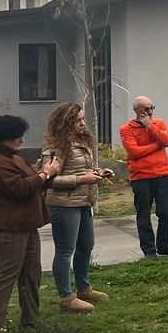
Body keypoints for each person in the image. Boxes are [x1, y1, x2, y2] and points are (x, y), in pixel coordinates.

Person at [0, 115, 59, 333]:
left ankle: (32, 321)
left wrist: (48, 174)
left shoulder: (14, 157)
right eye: (16, 135)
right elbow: (19, 188)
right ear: (1, 138)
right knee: (4, 280)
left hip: (26, 226)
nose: (21, 139)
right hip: (7, 229)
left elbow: (35, 183)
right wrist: (45, 173)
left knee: (31, 275)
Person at [42, 102, 110, 314]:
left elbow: (81, 169)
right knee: (65, 251)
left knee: (86, 246)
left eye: (83, 119)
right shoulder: (56, 147)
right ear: (66, 123)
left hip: (83, 201)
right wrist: (82, 179)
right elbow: (48, 181)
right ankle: (66, 297)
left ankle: (84, 289)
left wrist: (97, 172)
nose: (83, 123)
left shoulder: (81, 141)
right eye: (78, 120)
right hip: (64, 204)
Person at [120, 96, 168, 257]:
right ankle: (149, 250)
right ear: (136, 110)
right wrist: (156, 145)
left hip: (163, 174)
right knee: (144, 215)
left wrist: (151, 127)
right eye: (146, 109)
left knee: (167, 211)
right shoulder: (127, 129)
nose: (150, 111)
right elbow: (134, 152)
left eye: (152, 107)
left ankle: (164, 245)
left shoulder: (159, 124)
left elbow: (167, 141)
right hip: (141, 177)